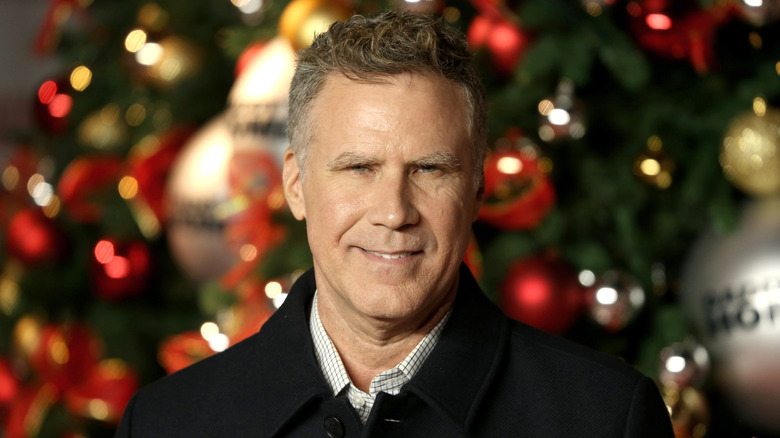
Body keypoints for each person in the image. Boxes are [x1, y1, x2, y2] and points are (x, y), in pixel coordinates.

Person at [115, 11, 674, 437]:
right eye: (358, 168)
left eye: (430, 169)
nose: (393, 212)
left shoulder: (605, 418)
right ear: (296, 185)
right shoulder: (166, 423)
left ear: (477, 188)